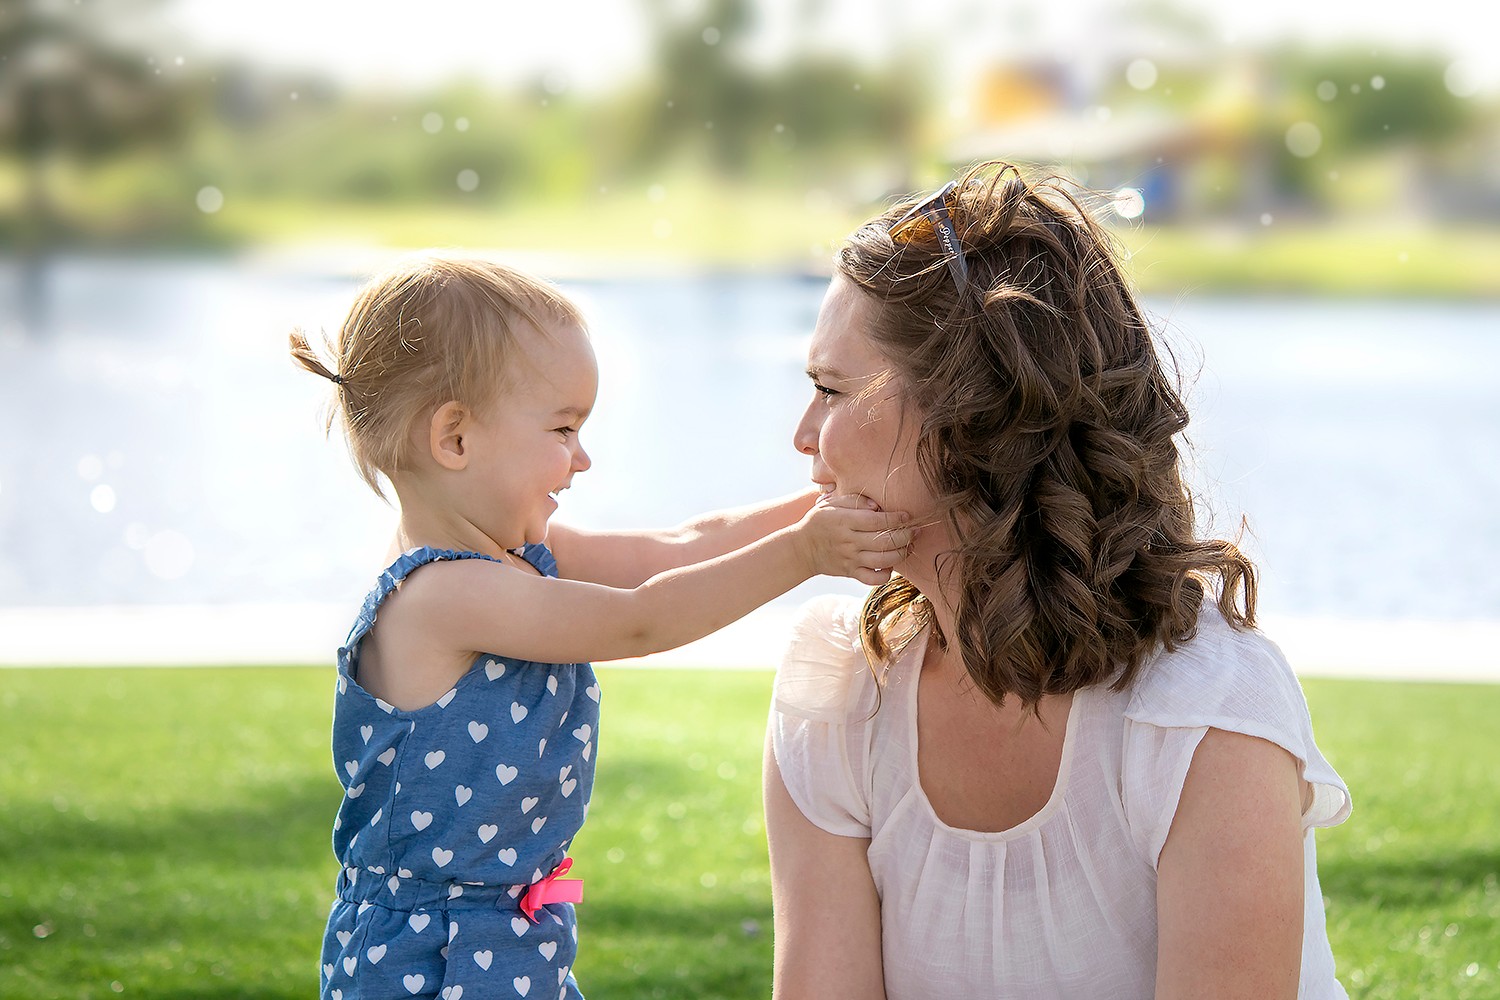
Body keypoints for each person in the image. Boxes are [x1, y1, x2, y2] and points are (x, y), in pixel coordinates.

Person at [763, 162, 1351, 999]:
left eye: (830, 389)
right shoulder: (839, 690)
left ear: (973, 413)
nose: (802, 435)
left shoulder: (1201, 713)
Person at [289, 252, 910, 1000]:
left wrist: (821, 504)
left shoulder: (519, 555)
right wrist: (807, 552)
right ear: (454, 439)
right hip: (429, 957)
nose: (582, 459)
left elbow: (678, 546)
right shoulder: (443, 594)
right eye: (562, 428)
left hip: (510, 935)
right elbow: (637, 622)